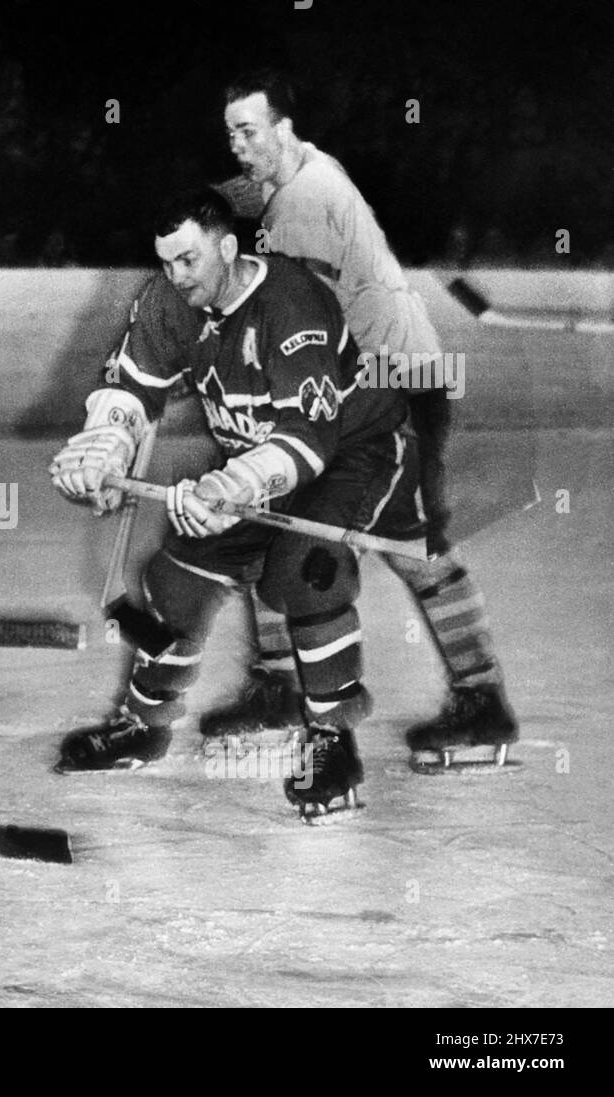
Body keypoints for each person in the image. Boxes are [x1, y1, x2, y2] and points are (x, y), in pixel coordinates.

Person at [51, 189, 424, 821]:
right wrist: (103, 447)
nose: (176, 276)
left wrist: (232, 487)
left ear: (228, 248)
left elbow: (306, 441)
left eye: (189, 261)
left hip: (348, 453)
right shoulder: (168, 300)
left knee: (305, 570)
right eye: (167, 262)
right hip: (257, 460)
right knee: (176, 580)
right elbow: (130, 391)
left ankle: (334, 742)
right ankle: (145, 725)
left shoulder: (292, 304)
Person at [210, 70, 516, 766]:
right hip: (371, 383)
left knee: (408, 542)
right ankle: (289, 687)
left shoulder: (306, 201)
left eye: (249, 129)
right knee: (271, 522)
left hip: (392, 386)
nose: (237, 144)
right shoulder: (307, 170)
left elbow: (298, 310)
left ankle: (480, 697)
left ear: (283, 127)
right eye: (229, 131)